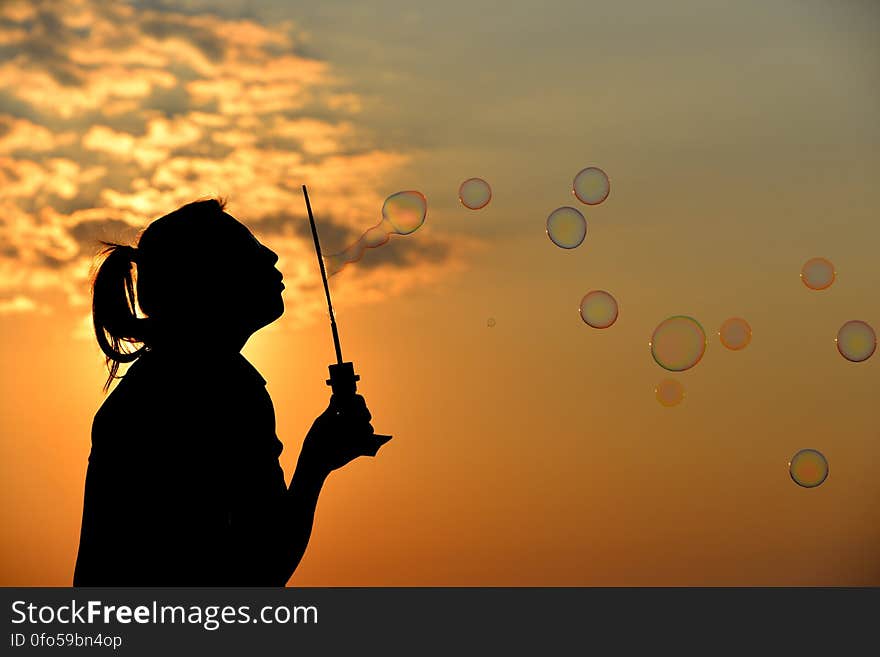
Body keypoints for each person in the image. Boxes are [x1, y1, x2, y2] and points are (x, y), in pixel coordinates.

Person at [73, 198, 390, 586]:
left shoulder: (162, 381)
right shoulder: (219, 389)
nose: (272, 255)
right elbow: (261, 568)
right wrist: (314, 464)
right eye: (249, 249)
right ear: (209, 281)